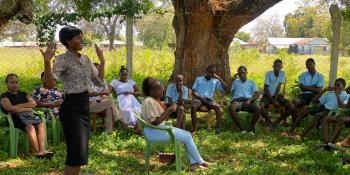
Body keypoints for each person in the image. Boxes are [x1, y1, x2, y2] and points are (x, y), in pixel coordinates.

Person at [40, 26, 104, 175]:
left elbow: (99, 82)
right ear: (68, 41)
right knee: (75, 153)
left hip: (84, 106)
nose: (82, 40)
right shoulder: (61, 60)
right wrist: (47, 63)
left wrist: (102, 61)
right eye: (77, 38)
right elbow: (49, 85)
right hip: (71, 108)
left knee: (81, 152)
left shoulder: (86, 59)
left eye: (82, 37)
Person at [141, 77, 213, 170]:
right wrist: (169, 110)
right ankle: (199, 162)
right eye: (159, 88)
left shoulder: (153, 100)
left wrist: (169, 111)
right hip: (154, 132)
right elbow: (155, 122)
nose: (163, 89)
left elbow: (159, 119)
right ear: (151, 90)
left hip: (158, 130)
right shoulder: (149, 101)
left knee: (187, 135)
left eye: (162, 87)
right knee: (187, 136)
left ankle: (195, 163)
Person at [0, 74, 53, 158]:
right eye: (12, 82)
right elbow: (9, 108)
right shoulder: (5, 96)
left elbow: (33, 103)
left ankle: (42, 150)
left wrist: (17, 107)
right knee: (30, 127)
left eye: (17, 82)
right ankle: (38, 152)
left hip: (29, 115)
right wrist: (26, 108)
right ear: (7, 84)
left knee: (41, 124)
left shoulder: (23, 93)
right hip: (15, 117)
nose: (15, 84)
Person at [273, 58, 324, 130]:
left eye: (310, 64)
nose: (309, 66)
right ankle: (292, 123)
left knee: (319, 106)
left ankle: (278, 121)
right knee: (294, 103)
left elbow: (319, 90)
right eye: (307, 65)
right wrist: (314, 87)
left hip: (315, 96)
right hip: (304, 95)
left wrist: (306, 87)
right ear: (306, 66)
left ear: (314, 64)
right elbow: (302, 88)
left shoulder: (320, 76)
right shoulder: (303, 75)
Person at [89, 63, 127, 134]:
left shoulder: (103, 81)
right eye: (96, 70)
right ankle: (121, 122)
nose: (98, 72)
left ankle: (109, 132)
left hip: (101, 102)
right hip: (90, 104)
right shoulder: (88, 81)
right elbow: (89, 94)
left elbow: (106, 93)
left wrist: (104, 95)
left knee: (109, 108)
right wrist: (101, 94)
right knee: (110, 102)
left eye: (99, 70)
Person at [191, 64, 227, 132]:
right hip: (199, 98)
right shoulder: (199, 79)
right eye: (210, 72)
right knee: (194, 106)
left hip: (209, 100)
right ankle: (194, 129)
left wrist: (219, 78)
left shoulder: (215, 81)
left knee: (217, 106)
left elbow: (225, 88)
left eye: (213, 72)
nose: (212, 74)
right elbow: (193, 92)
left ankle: (219, 128)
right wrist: (201, 98)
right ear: (206, 71)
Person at [228, 66, 260, 134]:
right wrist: (232, 80)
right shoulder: (235, 82)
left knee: (258, 108)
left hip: (247, 102)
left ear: (246, 73)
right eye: (239, 73)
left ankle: (251, 129)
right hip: (237, 101)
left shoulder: (251, 82)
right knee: (231, 107)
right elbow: (227, 92)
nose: (241, 74)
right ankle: (242, 129)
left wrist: (250, 100)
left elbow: (257, 95)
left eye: (243, 72)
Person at [321, 79, 350, 146]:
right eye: (335, 85)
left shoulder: (346, 95)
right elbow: (344, 107)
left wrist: (337, 93)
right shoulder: (348, 95)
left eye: (338, 85)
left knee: (341, 120)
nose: (336, 86)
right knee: (326, 118)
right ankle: (327, 140)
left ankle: (331, 142)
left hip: (346, 116)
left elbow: (342, 106)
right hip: (345, 114)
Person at [260, 59, 288, 127]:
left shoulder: (282, 73)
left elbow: (278, 88)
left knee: (290, 105)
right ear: (273, 66)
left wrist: (275, 100)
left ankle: (278, 121)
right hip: (268, 95)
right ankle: (268, 121)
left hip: (277, 95)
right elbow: (266, 88)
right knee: (260, 106)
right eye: (275, 66)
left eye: (279, 66)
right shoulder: (268, 73)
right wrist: (273, 101)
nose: (277, 67)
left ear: (281, 67)